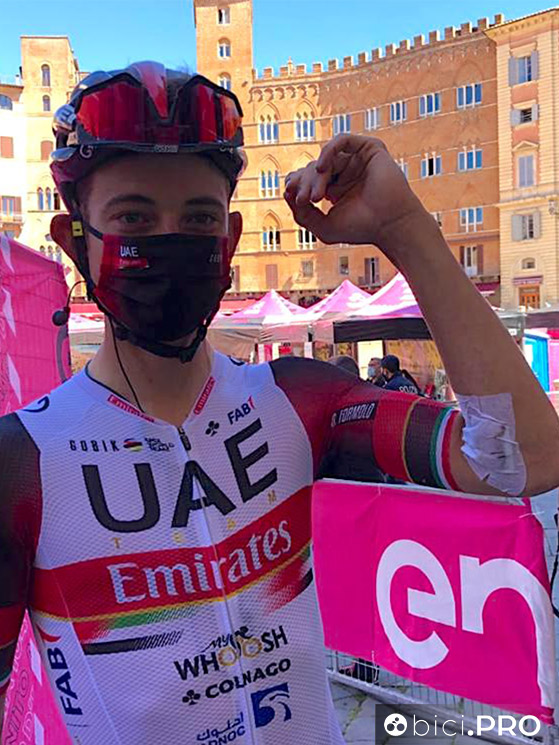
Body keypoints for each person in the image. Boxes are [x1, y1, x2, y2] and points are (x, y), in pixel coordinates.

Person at [1, 61, 559, 745]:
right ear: (73, 242)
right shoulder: (19, 464)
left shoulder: (299, 399)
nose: (171, 239)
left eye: (198, 219)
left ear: (230, 241)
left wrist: (404, 228)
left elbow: (524, 460)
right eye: (134, 217)